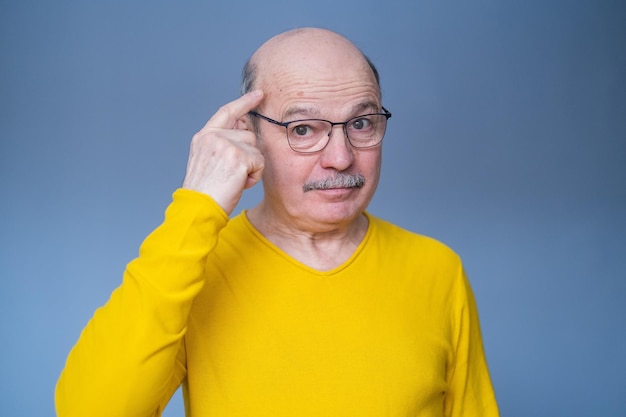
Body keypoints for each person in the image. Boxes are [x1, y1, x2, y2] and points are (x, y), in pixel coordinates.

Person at [55, 27, 499, 416]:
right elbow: (90, 410)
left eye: (361, 123)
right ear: (249, 135)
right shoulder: (196, 266)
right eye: (303, 129)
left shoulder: (437, 270)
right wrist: (196, 205)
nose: (341, 157)